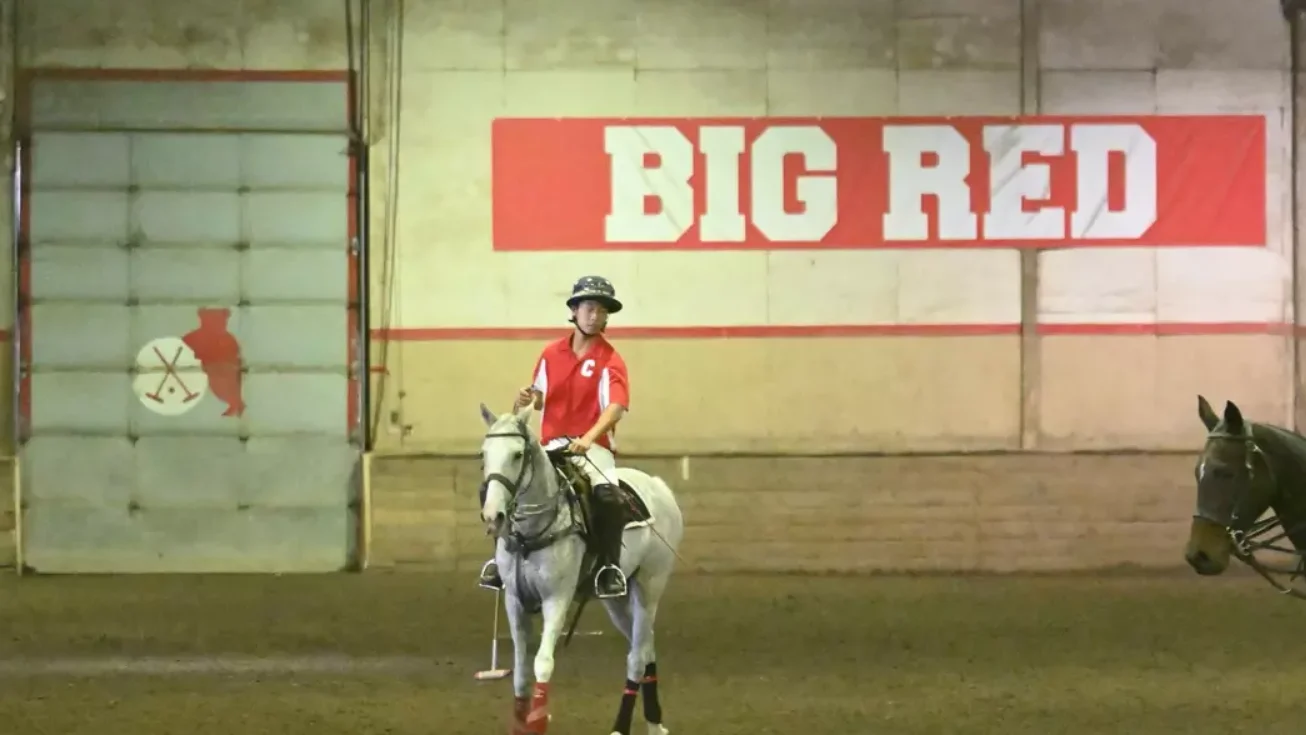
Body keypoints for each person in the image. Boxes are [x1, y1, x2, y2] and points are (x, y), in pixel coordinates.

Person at [478, 275, 634, 599]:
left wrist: (589, 437)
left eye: (602, 311)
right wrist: (526, 400)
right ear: (574, 310)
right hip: (550, 446)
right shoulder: (551, 354)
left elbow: (616, 407)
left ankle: (608, 568)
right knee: (500, 485)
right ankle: (500, 561)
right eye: (589, 307)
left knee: (609, 499)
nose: (595, 315)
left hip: (592, 449)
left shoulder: (610, 359)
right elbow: (541, 397)